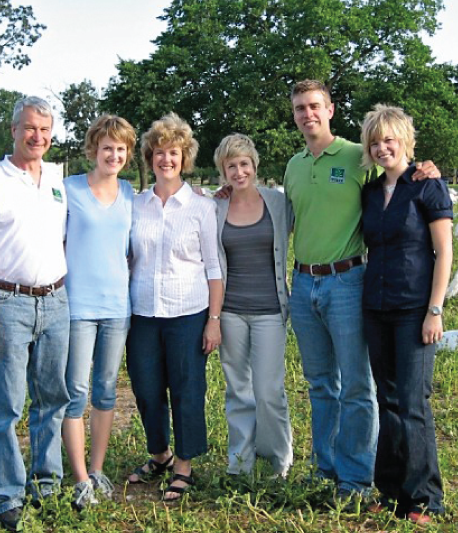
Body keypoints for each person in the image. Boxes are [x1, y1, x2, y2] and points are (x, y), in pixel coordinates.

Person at [283, 80, 440, 502]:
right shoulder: (294, 165)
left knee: (356, 385)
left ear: (330, 109)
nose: (307, 114)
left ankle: (355, 479)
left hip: (348, 281)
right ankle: (325, 468)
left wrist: (428, 168)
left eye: (315, 106)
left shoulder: (358, 154)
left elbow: (399, 167)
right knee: (319, 384)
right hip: (303, 283)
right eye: (300, 108)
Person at [0, 96, 69, 532]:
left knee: (52, 399)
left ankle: (46, 483)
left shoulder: (58, 179)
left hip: (56, 302)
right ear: (13, 130)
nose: (37, 136)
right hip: (7, 304)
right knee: (5, 404)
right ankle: (5, 493)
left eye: (44, 130)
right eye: (29, 128)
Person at [359, 104, 452, 525]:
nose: (382, 148)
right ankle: (390, 488)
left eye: (389, 140)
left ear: (405, 141)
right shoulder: (370, 191)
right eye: (375, 142)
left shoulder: (428, 186)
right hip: (376, 307)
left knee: (414, 403)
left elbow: (444, 251)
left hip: (415, 309)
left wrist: (435, 309)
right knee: (388, 400)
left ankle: (423, 497)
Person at [125, 112, 223, 502]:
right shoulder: (135, 205)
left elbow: (214, 267)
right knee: (147, 389)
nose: (166, 159)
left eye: (174, 153)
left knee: (186, 389)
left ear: (185, 158)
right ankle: (160, 454)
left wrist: (213, 320)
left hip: (189, 312)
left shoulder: (201, 207)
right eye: (159, 152)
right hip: (143, 314)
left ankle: (184, 465)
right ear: (149, 157)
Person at [61, 114, 136, 508]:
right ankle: (77, 479)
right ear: (94, 149)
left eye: (121, 149)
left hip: (117, 308)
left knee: (106, 390)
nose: (114, 154)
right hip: (76, 308)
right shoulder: (69, 189)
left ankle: (97, 469)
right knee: (74, 391)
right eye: (107, 147)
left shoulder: (128, 193)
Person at [212, 133, 293, 477]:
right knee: (238, 390)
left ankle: (279, 458)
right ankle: (240, 461)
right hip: (230, 311)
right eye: (232, 165)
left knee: (268, 390)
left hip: (270, 311)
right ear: (223, 171)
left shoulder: (277, 203)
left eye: (244, 164)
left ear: (254, 166)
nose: (239, 171)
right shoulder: (215, 207)